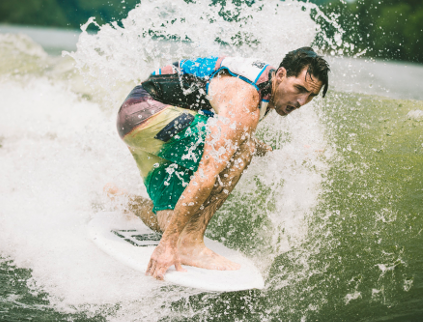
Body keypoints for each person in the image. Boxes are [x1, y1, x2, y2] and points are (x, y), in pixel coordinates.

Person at [107, 47, 330, 280]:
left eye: (310, 96)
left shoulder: (264, 86)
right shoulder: (246, 96)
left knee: (170, 223)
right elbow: (209, 170)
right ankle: (190, 242)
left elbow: (233, 131)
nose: (302, 101)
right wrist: (167, 247)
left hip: (135, 123)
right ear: (282, 75)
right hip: (147, 115)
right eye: (299, 89)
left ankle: (119, 197)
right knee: (242, 149)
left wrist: (275, 152)